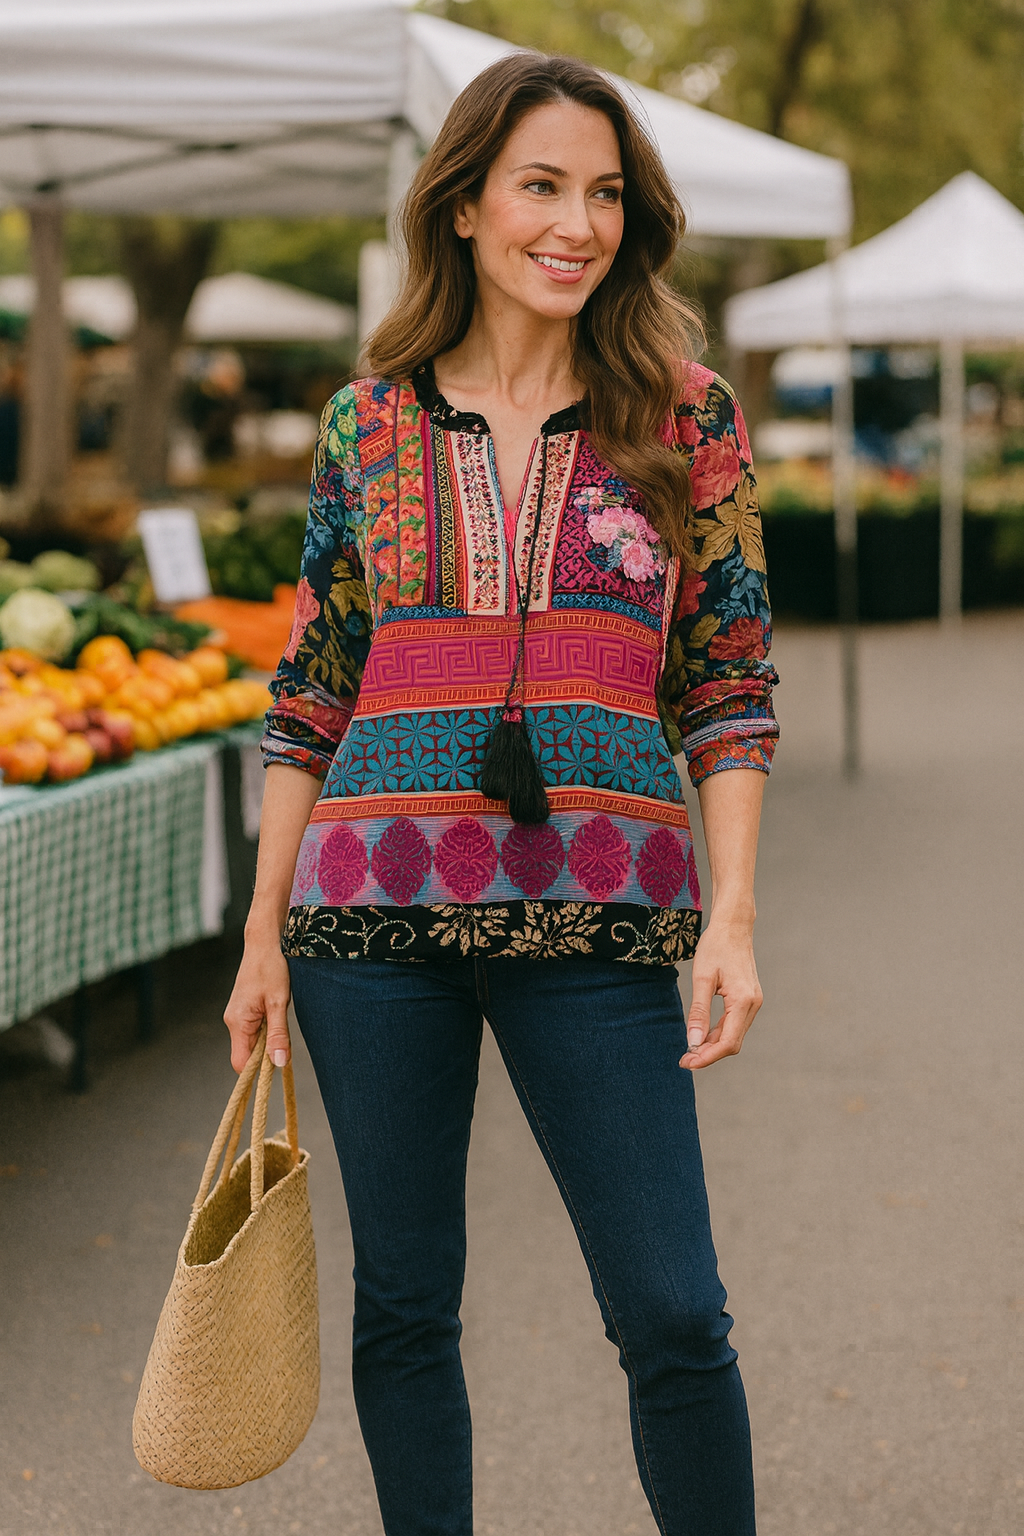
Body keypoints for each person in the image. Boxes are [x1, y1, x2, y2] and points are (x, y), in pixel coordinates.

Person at [225, 50, 777, 1536]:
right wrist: (265, 931)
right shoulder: (367, 424)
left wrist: (732, 918)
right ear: (464, 204)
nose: (577, 223)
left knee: (672, 1310)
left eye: (605, 194)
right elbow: (312, 689)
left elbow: (729, 683)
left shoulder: (686, 413)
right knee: (406, 1304)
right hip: (367, 930)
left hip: (602, 928)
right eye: (543, 186)